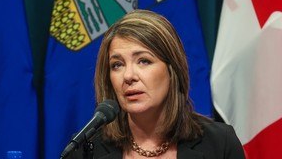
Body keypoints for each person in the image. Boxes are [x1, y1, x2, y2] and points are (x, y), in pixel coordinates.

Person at [68, 9, 246, 159]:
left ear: (172, 70)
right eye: (117, 65)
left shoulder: (219, 144)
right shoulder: (85, 150)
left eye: (144, 61)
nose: (128, 76)